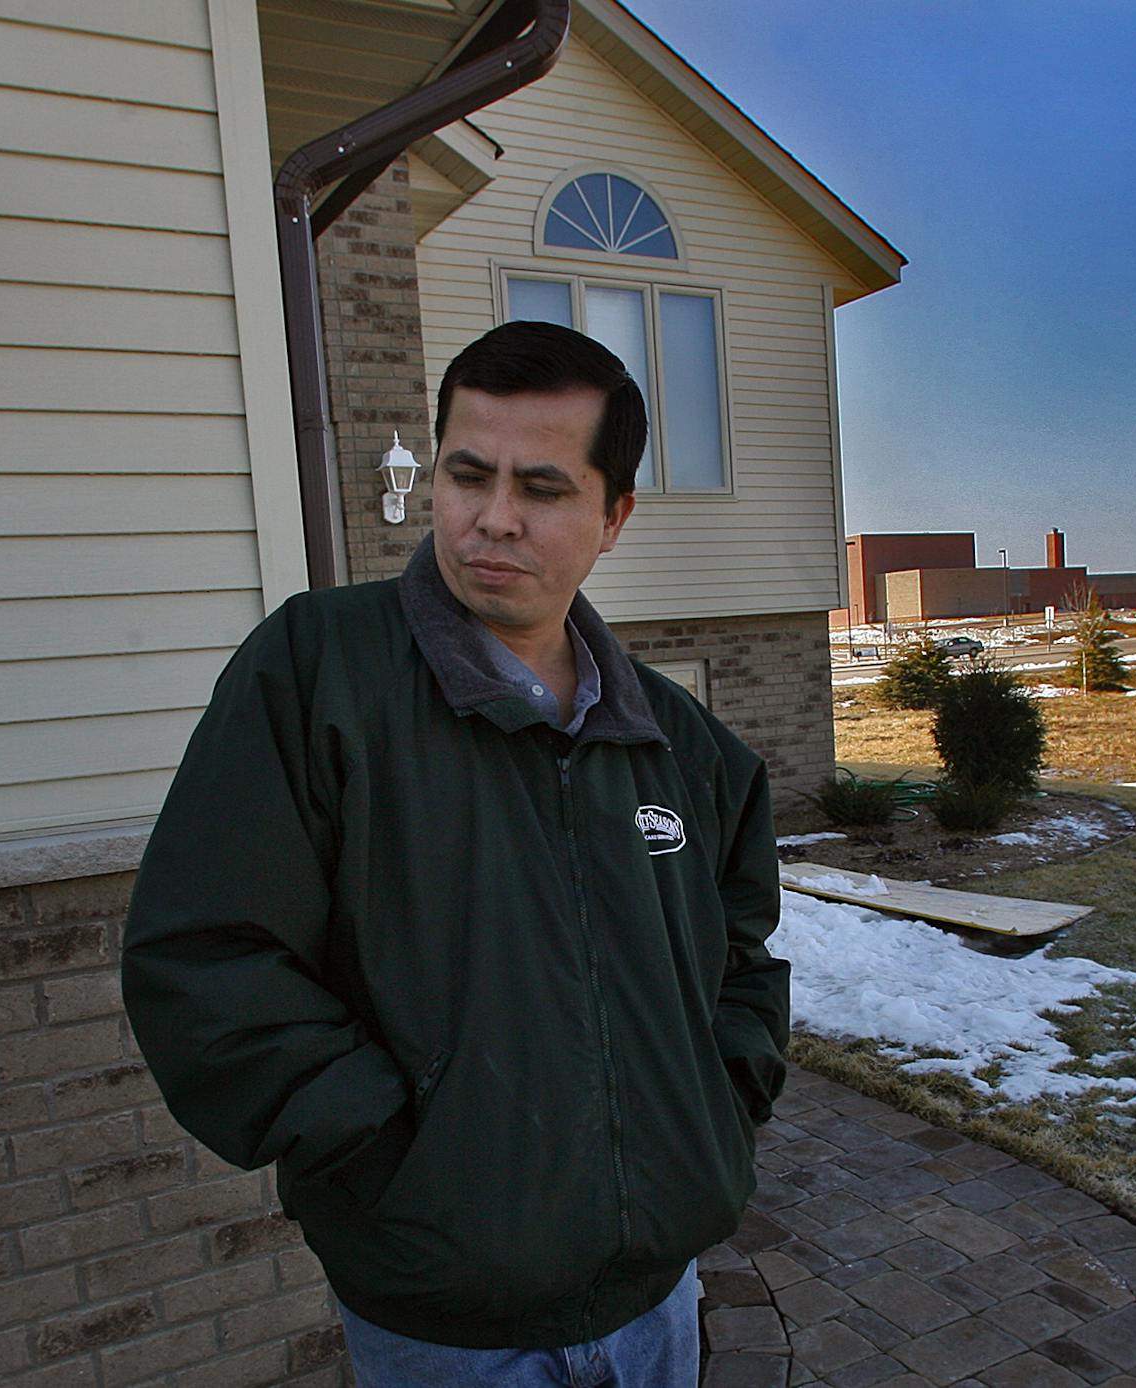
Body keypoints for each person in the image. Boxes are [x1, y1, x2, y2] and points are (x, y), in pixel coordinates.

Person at [121, 321, 791, 1386]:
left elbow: (742, 958)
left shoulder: (684, 745)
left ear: (614, 514)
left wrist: (711, 1111)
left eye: (543, 486)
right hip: (443, 1324)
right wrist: (393, 1156)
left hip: (656, 1298)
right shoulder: (316, 676)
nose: (494, 517)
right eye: (467, 473)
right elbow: (207, 954)